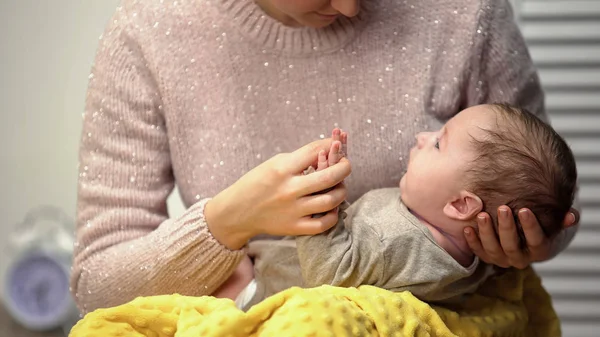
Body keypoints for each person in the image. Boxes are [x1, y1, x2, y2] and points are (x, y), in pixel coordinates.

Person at [71, 0, 580, 313]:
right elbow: (98, 287)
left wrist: (530, 239)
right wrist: (228, 221)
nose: (351, 7)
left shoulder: (466, 10)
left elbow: (544, 187)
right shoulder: (151, 32)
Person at [222, 104, 577, 310]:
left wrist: (319, 201)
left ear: (459, 204)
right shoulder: (466, 251)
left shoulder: (400, 240)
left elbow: (330, 277)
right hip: (275, 264)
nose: (424, 137)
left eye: (439, 143)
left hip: (269, 290)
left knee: (224, 271)